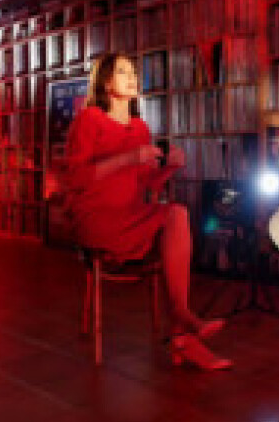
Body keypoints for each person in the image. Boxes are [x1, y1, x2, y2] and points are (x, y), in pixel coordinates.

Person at [65, 53, 231, 370]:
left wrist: (170, 167)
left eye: (133, 72)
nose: (132, 77)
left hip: (130, 214)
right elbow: (76, 178)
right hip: (96, 218)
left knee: (177, 213)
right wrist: (129, 158)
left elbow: (147, 183)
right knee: (174, 218)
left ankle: (181, 324)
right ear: (106, 82)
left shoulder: (140, 127)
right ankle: (182, 330)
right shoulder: (89, 119)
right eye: (122, 72)